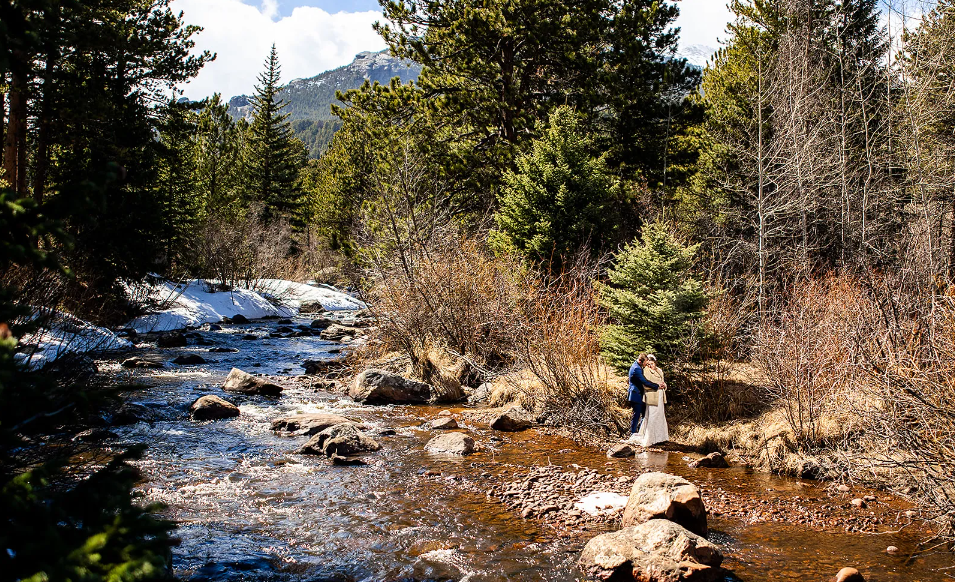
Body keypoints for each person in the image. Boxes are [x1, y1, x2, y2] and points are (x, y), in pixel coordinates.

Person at [637, 354, 669, 446]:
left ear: (655, 363)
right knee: (652, 416)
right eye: (648, 364)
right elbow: (646, 385)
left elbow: (663, 382)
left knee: (660, 415)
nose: (650, 366)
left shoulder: (659, 370)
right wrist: (657, 385)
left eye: (652, 363)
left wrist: (664, 386)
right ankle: (649, 439)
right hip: (652, 396)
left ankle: (660, 438)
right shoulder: (646, 371)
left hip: (660, 396)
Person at [627, 353, 660, 439]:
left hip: (638, 394)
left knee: (642, 415)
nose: (646, 363)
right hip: (635, 395)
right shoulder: (636, 369)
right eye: (646, 362)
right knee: (636, 415)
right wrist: (657, 386)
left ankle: (640, 433)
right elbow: (644, 381)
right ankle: (633, 434)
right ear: (641, 361)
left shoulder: (636, 365)